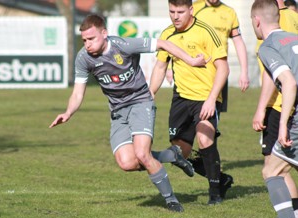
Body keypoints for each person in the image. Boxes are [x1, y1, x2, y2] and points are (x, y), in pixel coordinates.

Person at [49, 14, 207, 212]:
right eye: (84, 40)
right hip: (117, 111)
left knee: (142, 153)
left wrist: (191, 61)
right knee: (127, 163)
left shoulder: (123, 45)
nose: (87, 44)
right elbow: (78, 92)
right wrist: (68, 112)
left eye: (91, 39)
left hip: (141, 103)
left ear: (104, 33)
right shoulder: (83, 58)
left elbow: (163, 43)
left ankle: (171, 200)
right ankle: (172, 155)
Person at [149, 0, 229, 205]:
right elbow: (160, 68)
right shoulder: (167, 35)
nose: (175, 16)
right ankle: (222, 179)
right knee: (179, 153)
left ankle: (214, 194)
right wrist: (150, 93)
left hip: (206, 97)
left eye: (180, 12)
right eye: (172, 11)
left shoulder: (205, 31)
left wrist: (212, 99)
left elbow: (223, 68)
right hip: (181, 98)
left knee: (204, 139)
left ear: (191, 10)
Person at [251, 0, 298, 217]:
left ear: (256, 20)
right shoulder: (294, 39)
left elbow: (288, 82)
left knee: (272, 171)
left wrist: (282, 125)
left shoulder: (268, 46)